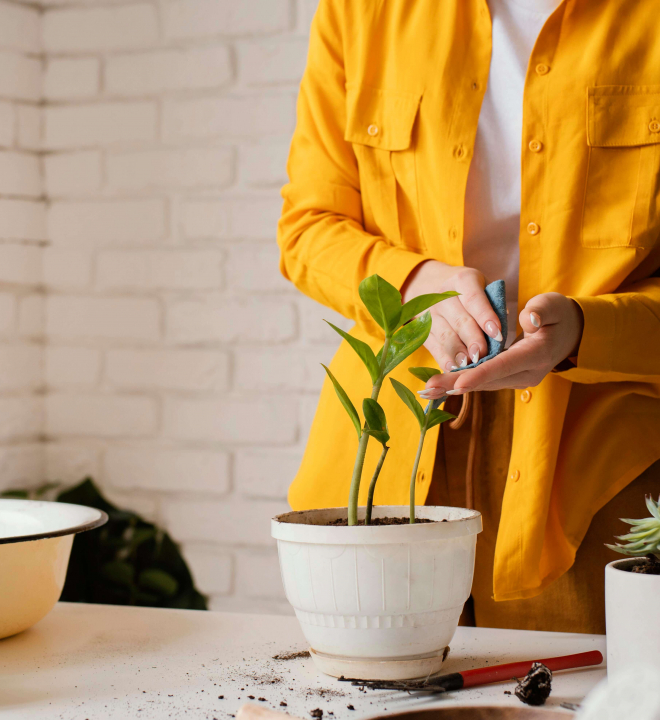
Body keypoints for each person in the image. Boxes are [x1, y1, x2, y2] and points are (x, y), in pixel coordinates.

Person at [277, 0, 660, 634]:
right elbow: (308, 228)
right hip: (394, 439)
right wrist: (413, 286)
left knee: (588, 695)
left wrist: (586, 330)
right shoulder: (358, 11)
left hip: (599, 458)